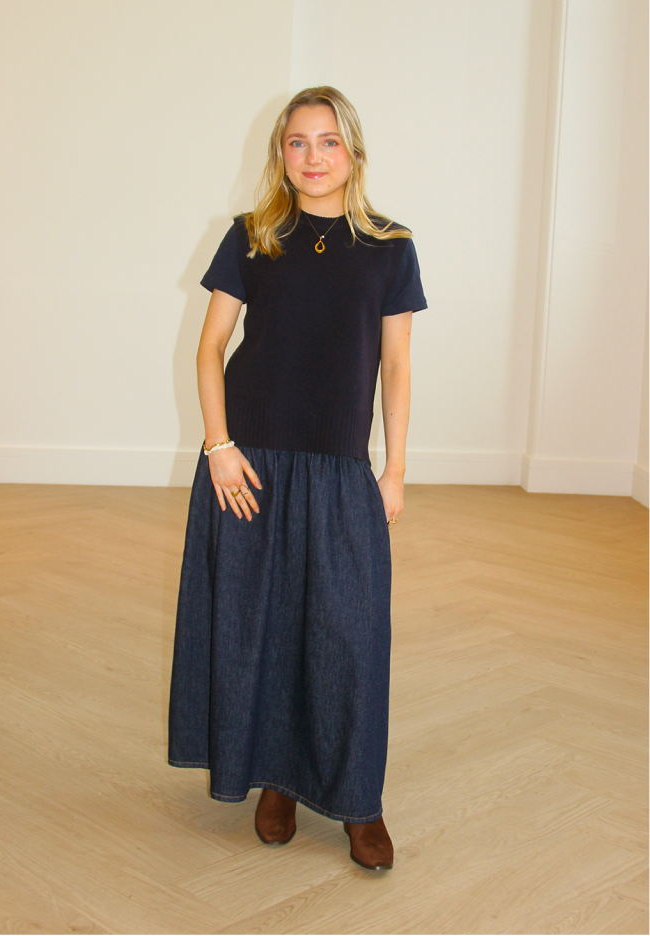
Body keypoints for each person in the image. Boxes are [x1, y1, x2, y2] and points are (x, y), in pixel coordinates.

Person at [168, 86, 426, 871]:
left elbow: (396, 365)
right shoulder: (252, 238)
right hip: (253, 464)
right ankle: (274, 777)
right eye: (296, 143)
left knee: (349, 635)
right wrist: (218, 446)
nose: (312, 158)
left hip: (343, 466)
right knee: (263, 624)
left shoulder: (390, 245)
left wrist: (395, 470)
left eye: (328, 142)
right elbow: (211, 348)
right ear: (280, 154)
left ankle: (358, 801)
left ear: (353, 151)